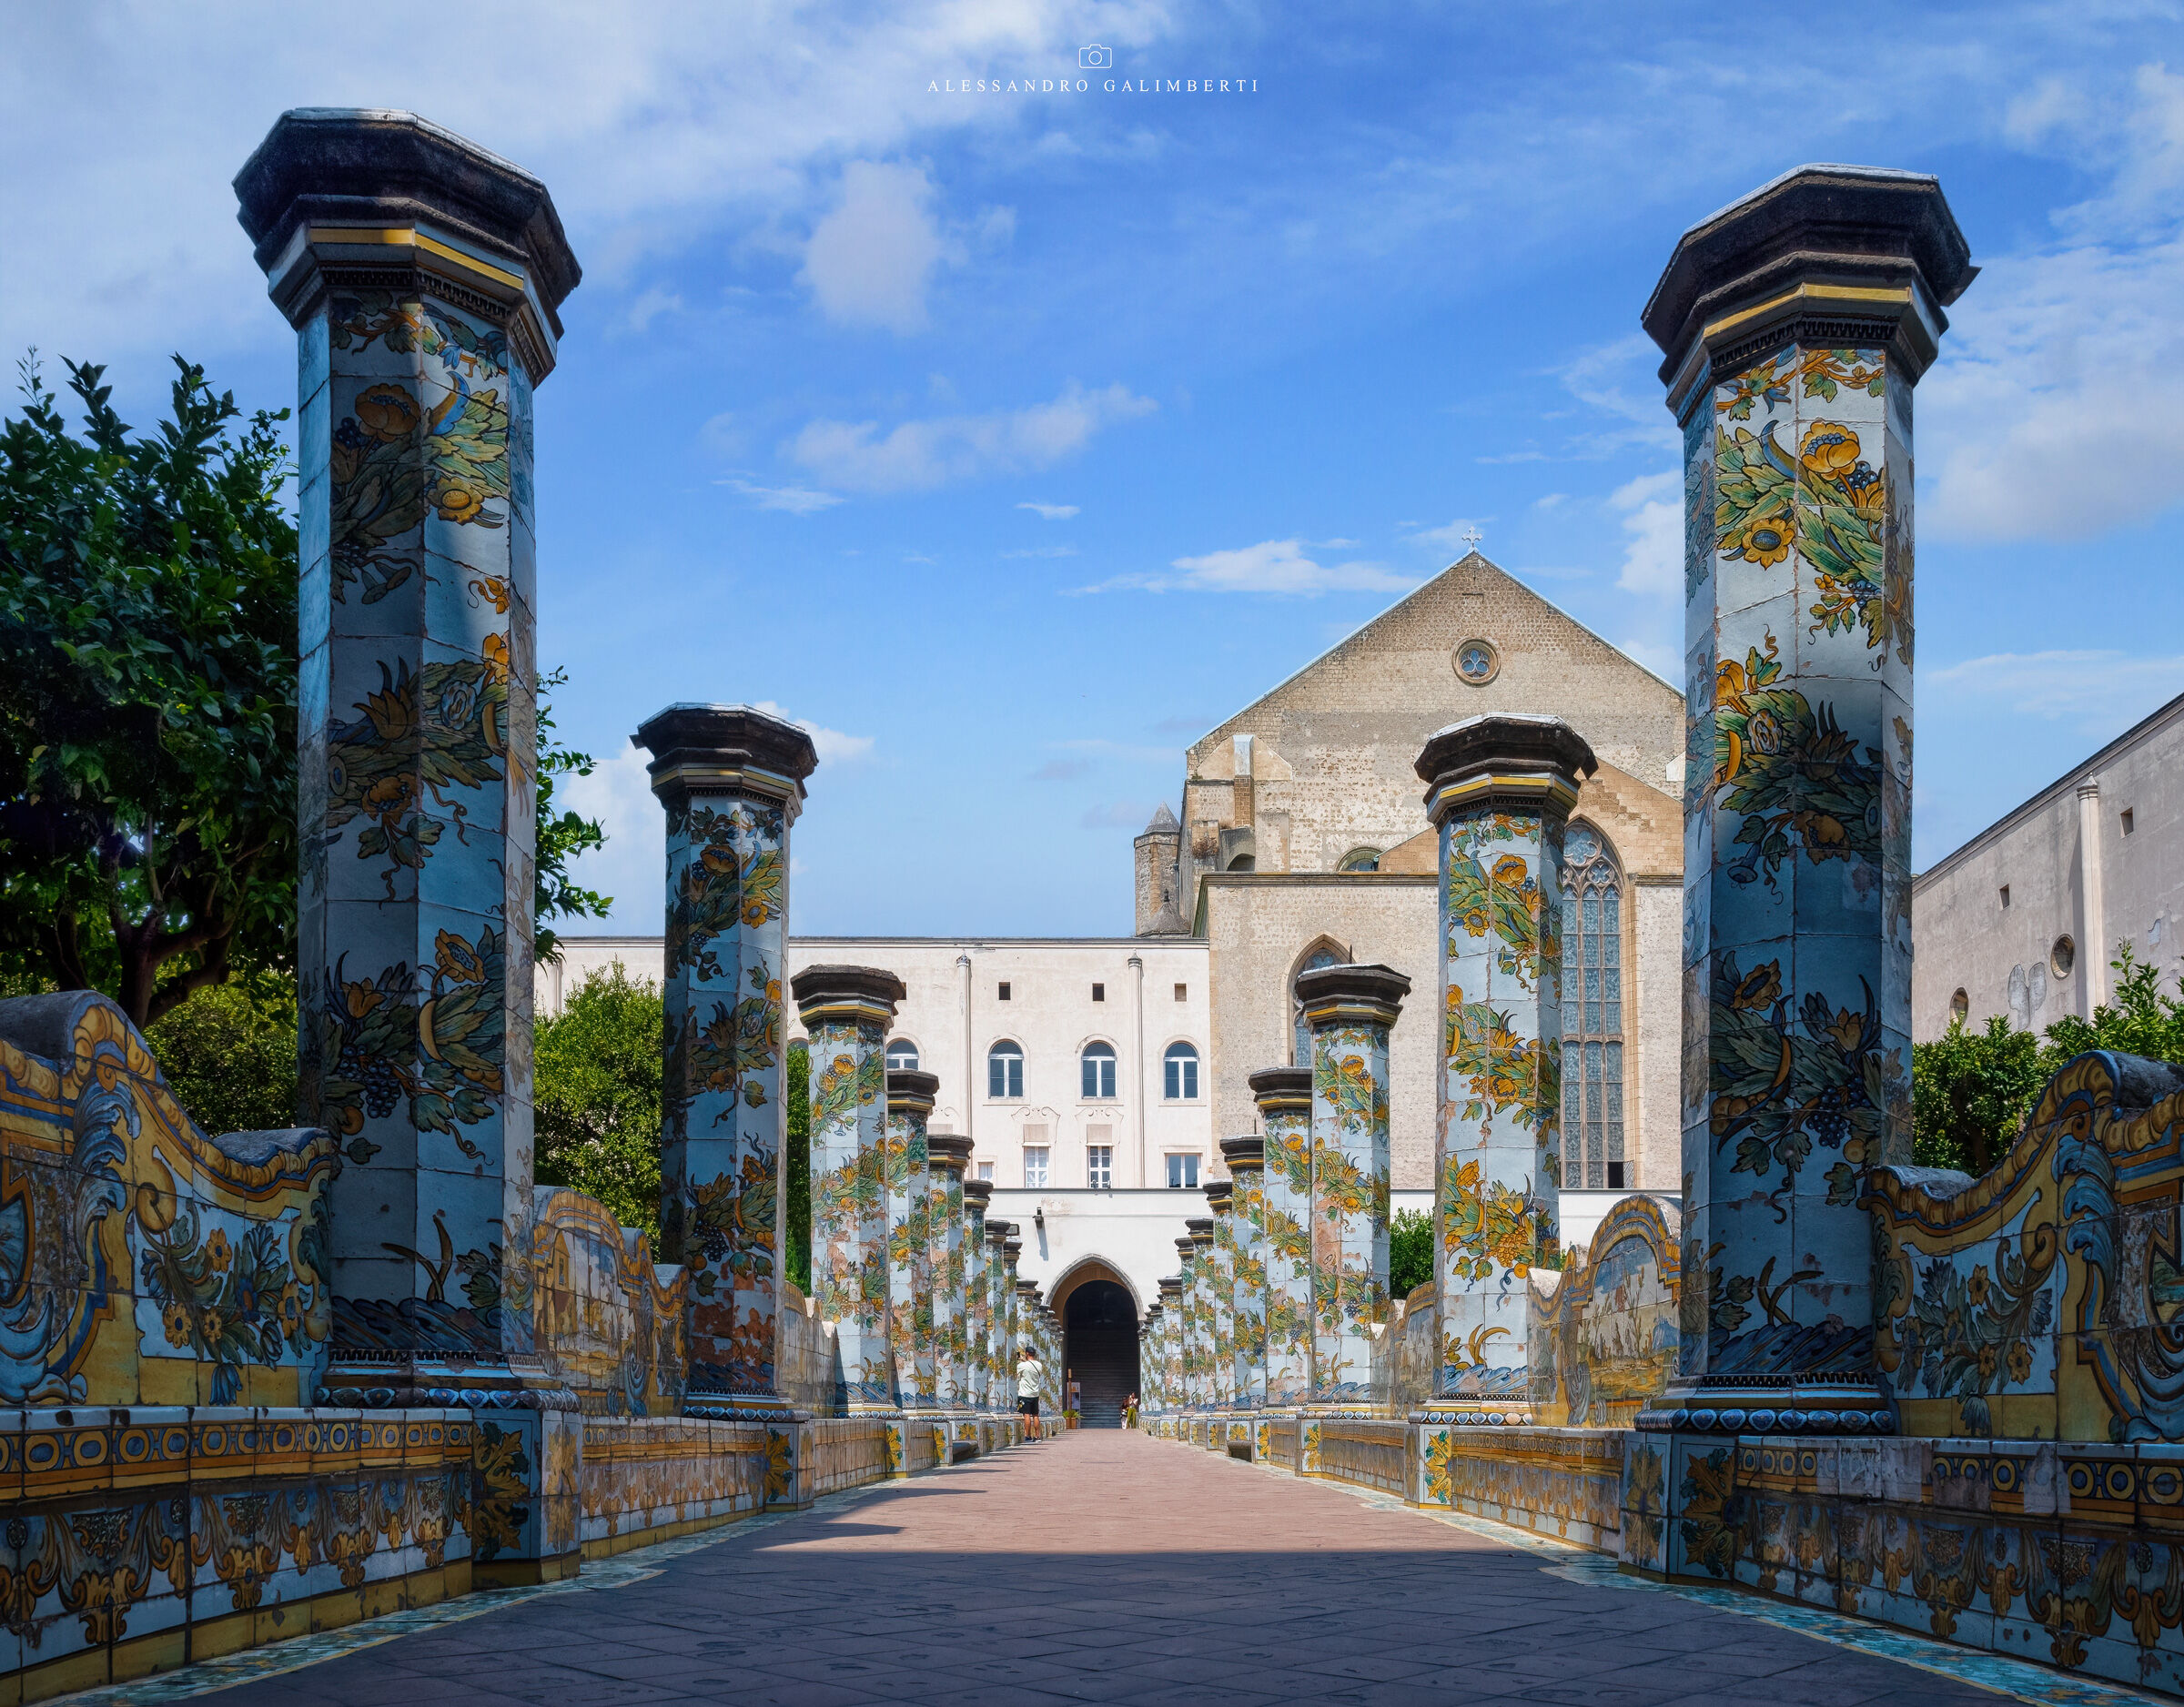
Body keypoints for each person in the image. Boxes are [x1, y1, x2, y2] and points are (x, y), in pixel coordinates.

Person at [1016, 1345, 1045, 1439]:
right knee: (1035, 1415)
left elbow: (1016, 1373)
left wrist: (1020, 1361)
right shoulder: (1039, 1365)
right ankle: (1037, 1436)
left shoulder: (1022, 1366)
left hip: (1024, 1394)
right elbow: (1031, 1366)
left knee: (1027, 1415)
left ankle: (1027, 1435)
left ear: (1027, 1353)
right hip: (1035, 1393)